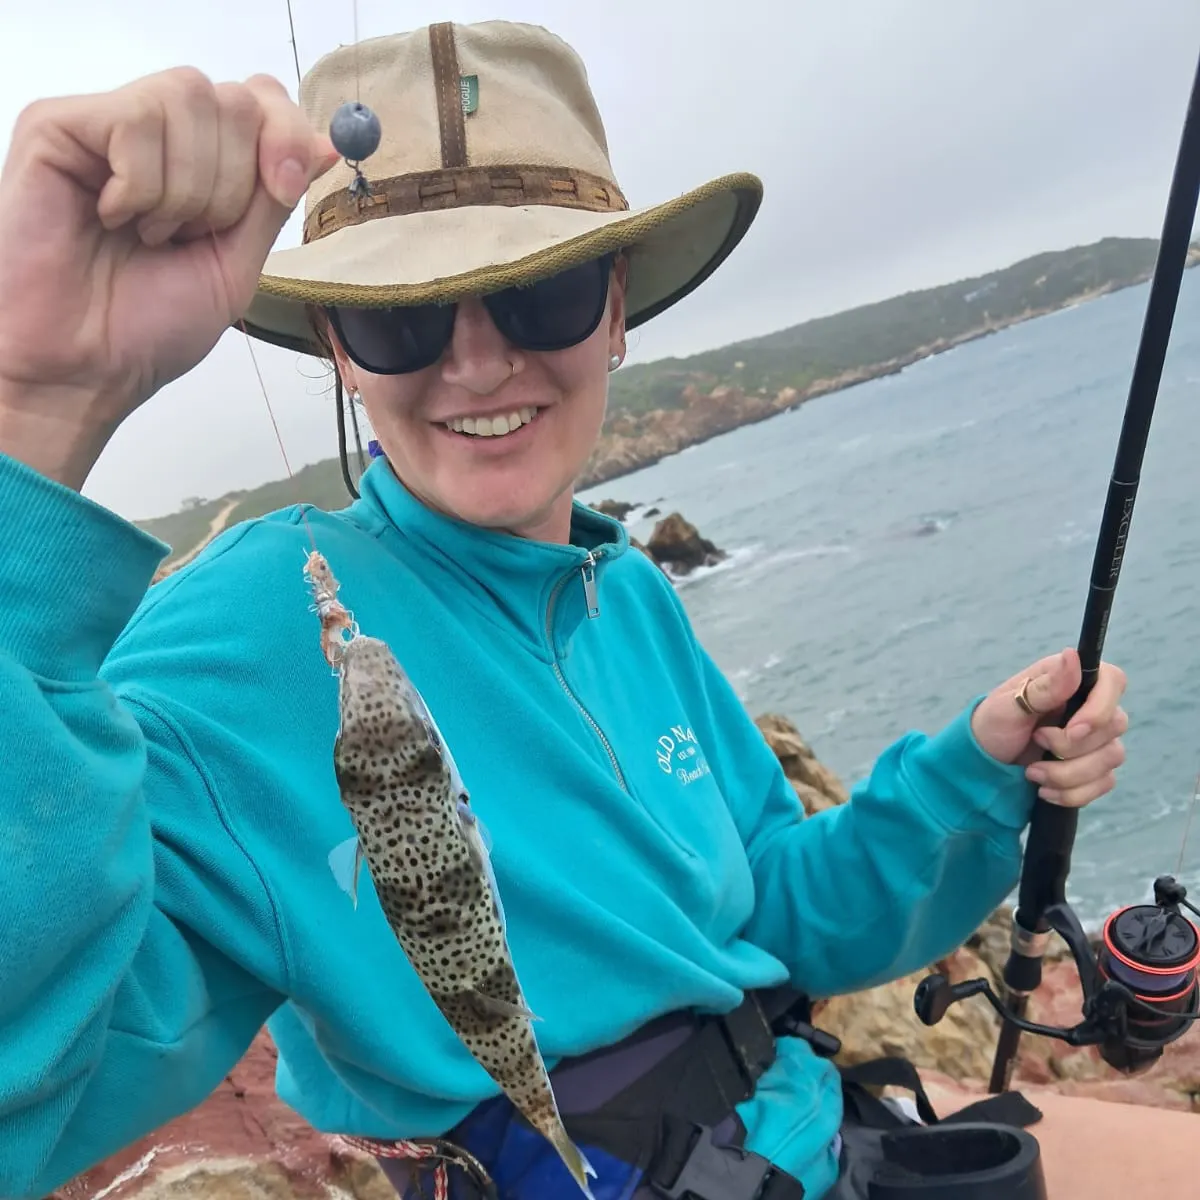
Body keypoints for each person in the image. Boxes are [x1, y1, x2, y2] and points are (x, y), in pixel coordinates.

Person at [0, 17, 1170, 1200]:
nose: (475, 362)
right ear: (340, 351)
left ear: (615, 311)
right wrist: (32, 411)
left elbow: (782, 913)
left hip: (798, 1131)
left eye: (542, 295)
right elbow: (31, 1075)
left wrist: (969, 773)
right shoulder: (249, 627)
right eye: (402, 316)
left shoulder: (633, 595)